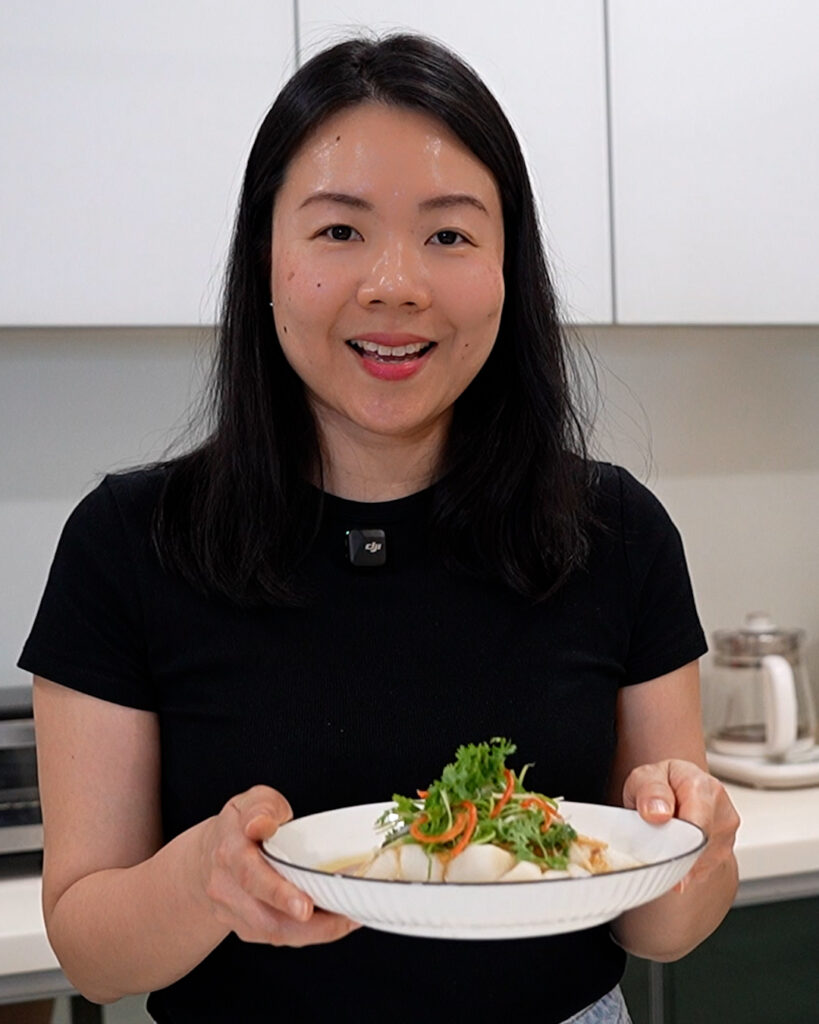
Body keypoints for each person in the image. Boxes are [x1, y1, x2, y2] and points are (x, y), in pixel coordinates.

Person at [20, 33, 740, 1024]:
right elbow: (90, 951)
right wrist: (205, 879)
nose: (396, 282)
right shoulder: (129, 543)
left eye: (449, 235)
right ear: (266, 256)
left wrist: (698, 845)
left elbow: (659, 928)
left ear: (508, 267)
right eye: (339, 231)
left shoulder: (614, 531)